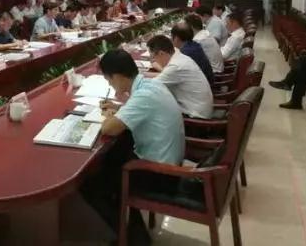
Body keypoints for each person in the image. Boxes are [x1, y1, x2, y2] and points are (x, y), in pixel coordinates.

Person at [80, 50, 184, 241]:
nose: (110, 85)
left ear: (117, 76)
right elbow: (140, 110)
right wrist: (121, 109)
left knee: (91, 187)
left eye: (109, 80)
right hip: (168, 161)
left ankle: (130, 239)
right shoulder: (150, 85)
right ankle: (134, 230)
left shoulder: (143, 96)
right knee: (115, 157)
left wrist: (110, 115)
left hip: (161, 174)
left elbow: (109, 129)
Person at [146, 35, 213, 119]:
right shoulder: (179, 57)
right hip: (200, 106)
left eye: (153, 57)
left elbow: (151, 87)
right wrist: (145, 74)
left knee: (151, 105)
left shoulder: (175, 66)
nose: (154, 60)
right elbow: (166, 75)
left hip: (195, 115)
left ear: (161, 53)